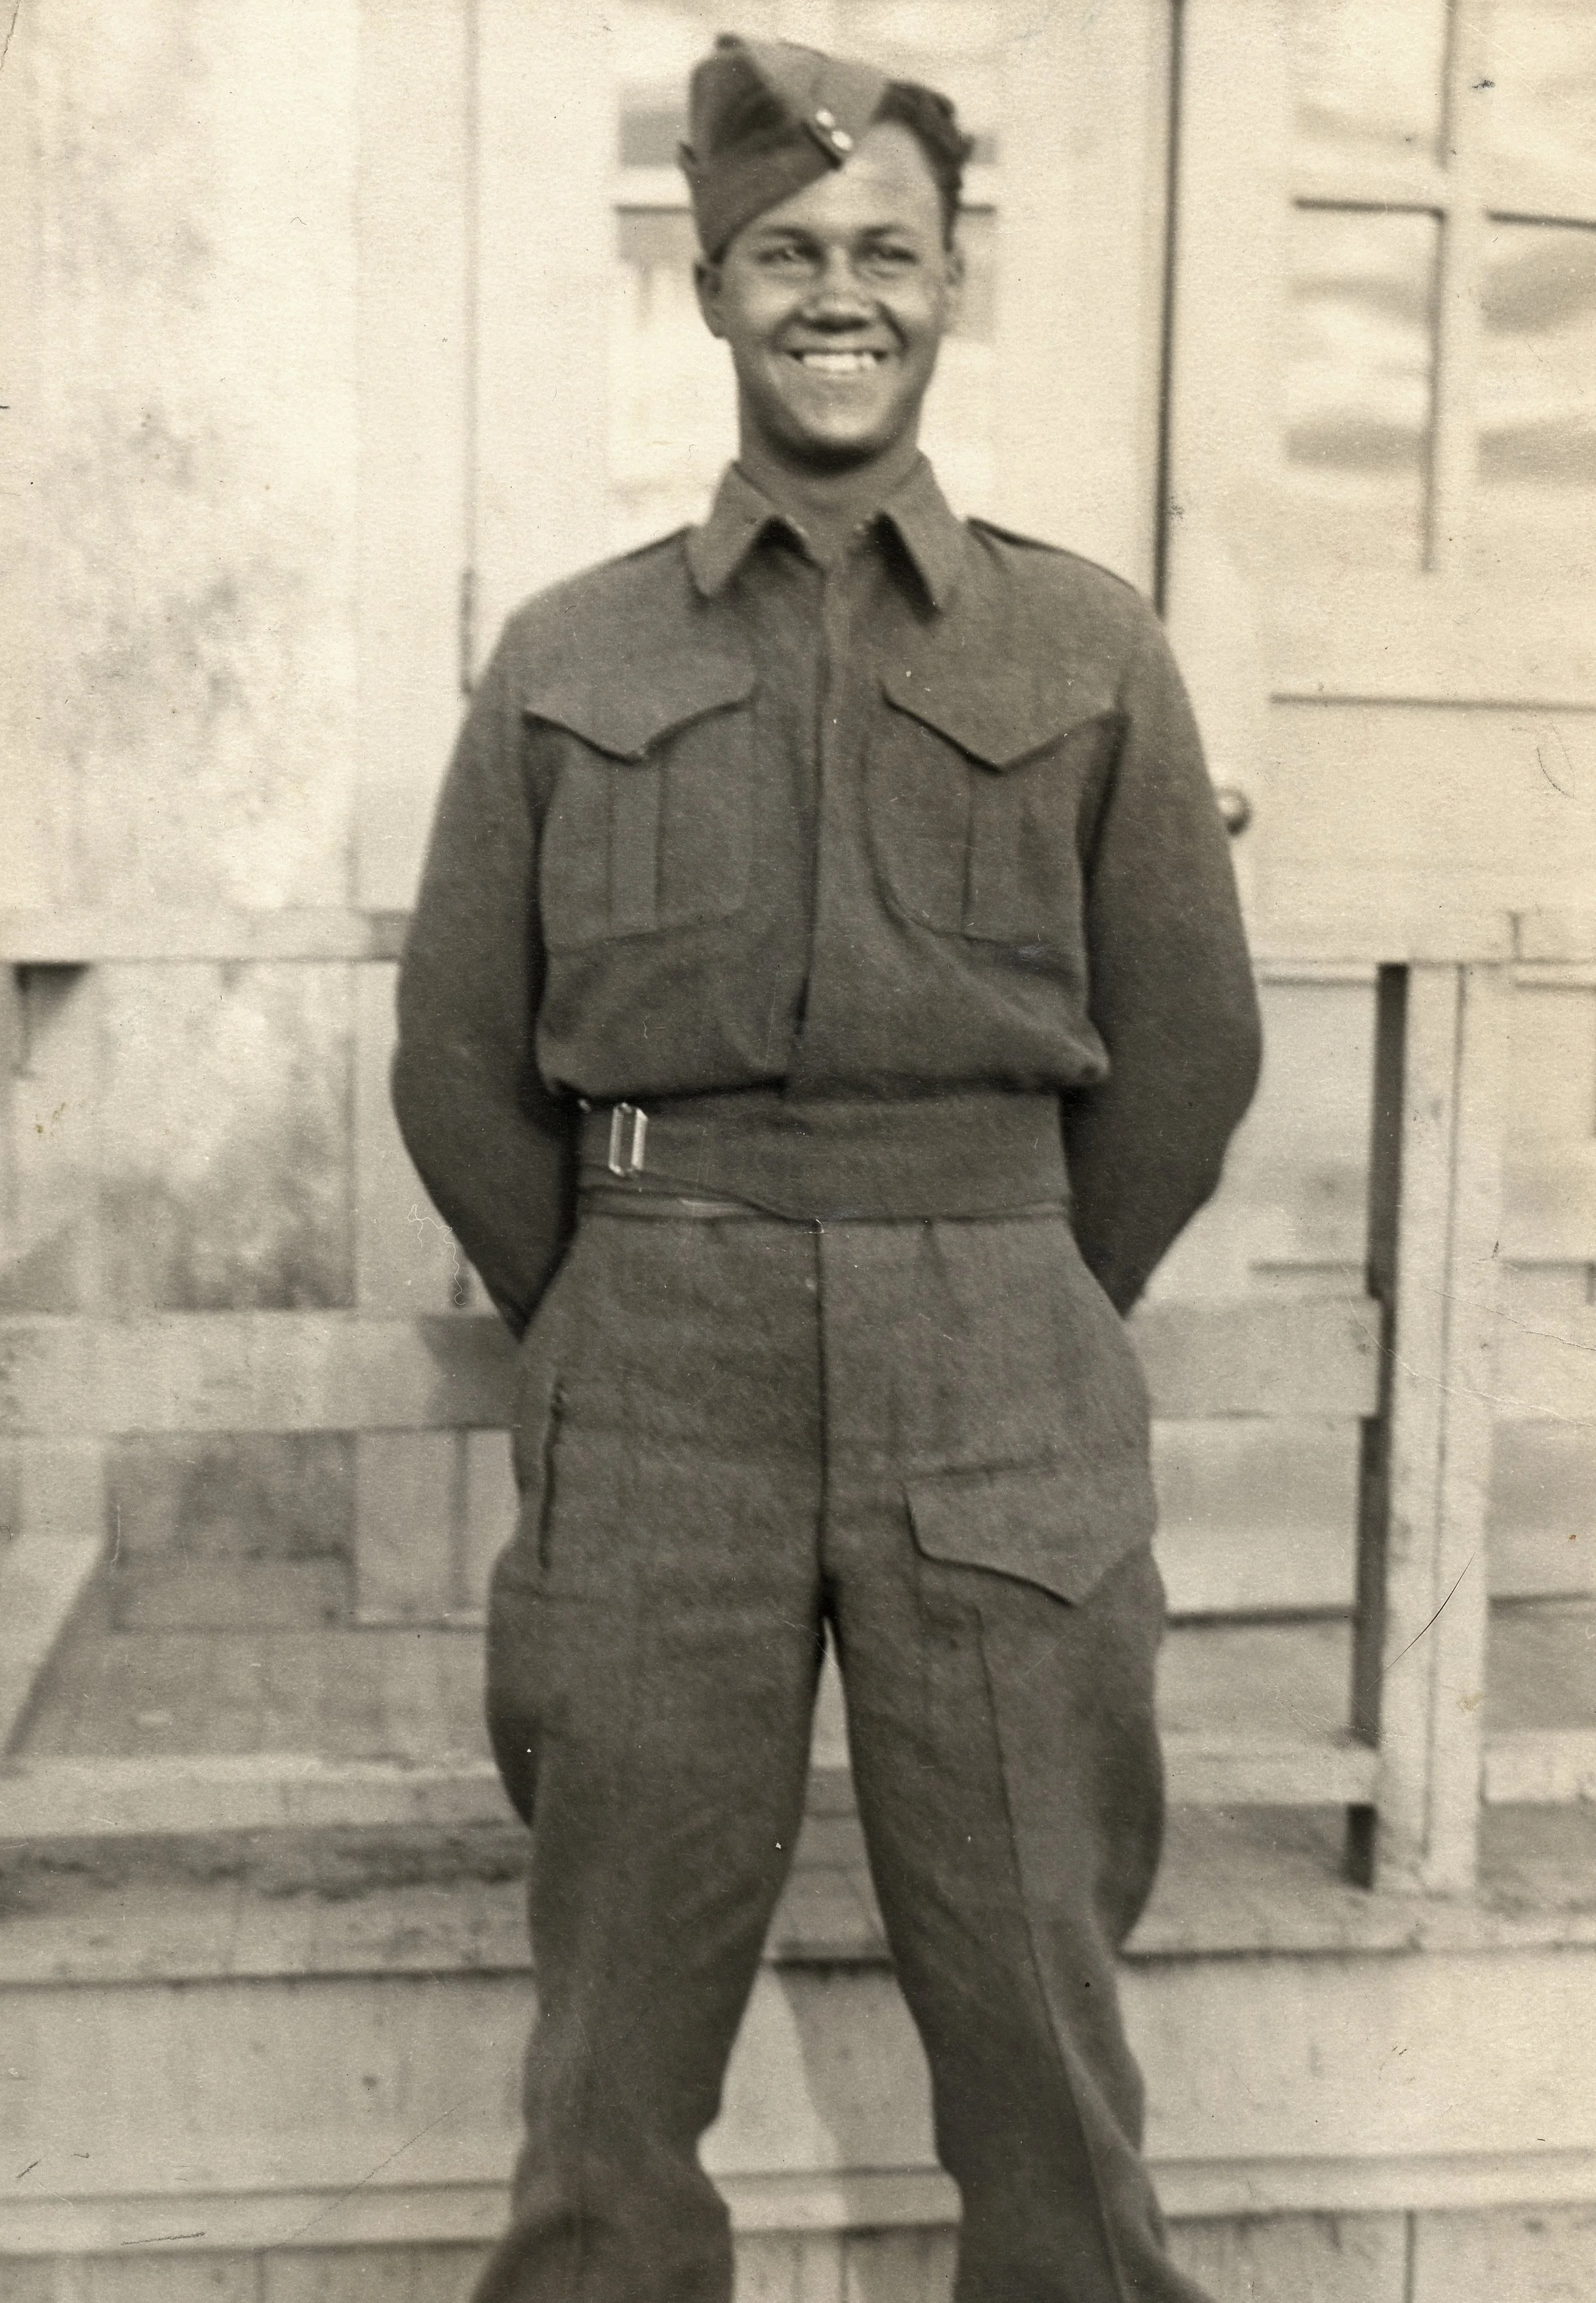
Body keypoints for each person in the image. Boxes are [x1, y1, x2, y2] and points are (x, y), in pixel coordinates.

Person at [393, 33, 1261, 2303]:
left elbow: (1185, 1047)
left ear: (950, 284)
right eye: (785, 252)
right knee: (607, 2064)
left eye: (886, 252)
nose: (836, 294)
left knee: (1038, 2023)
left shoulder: (1086, 643)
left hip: (994, 1344)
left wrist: (1022, 1288)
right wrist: (600, 1294)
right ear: (707, 289)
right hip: (655, 1347)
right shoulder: (565, 652)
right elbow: (458, 1058)